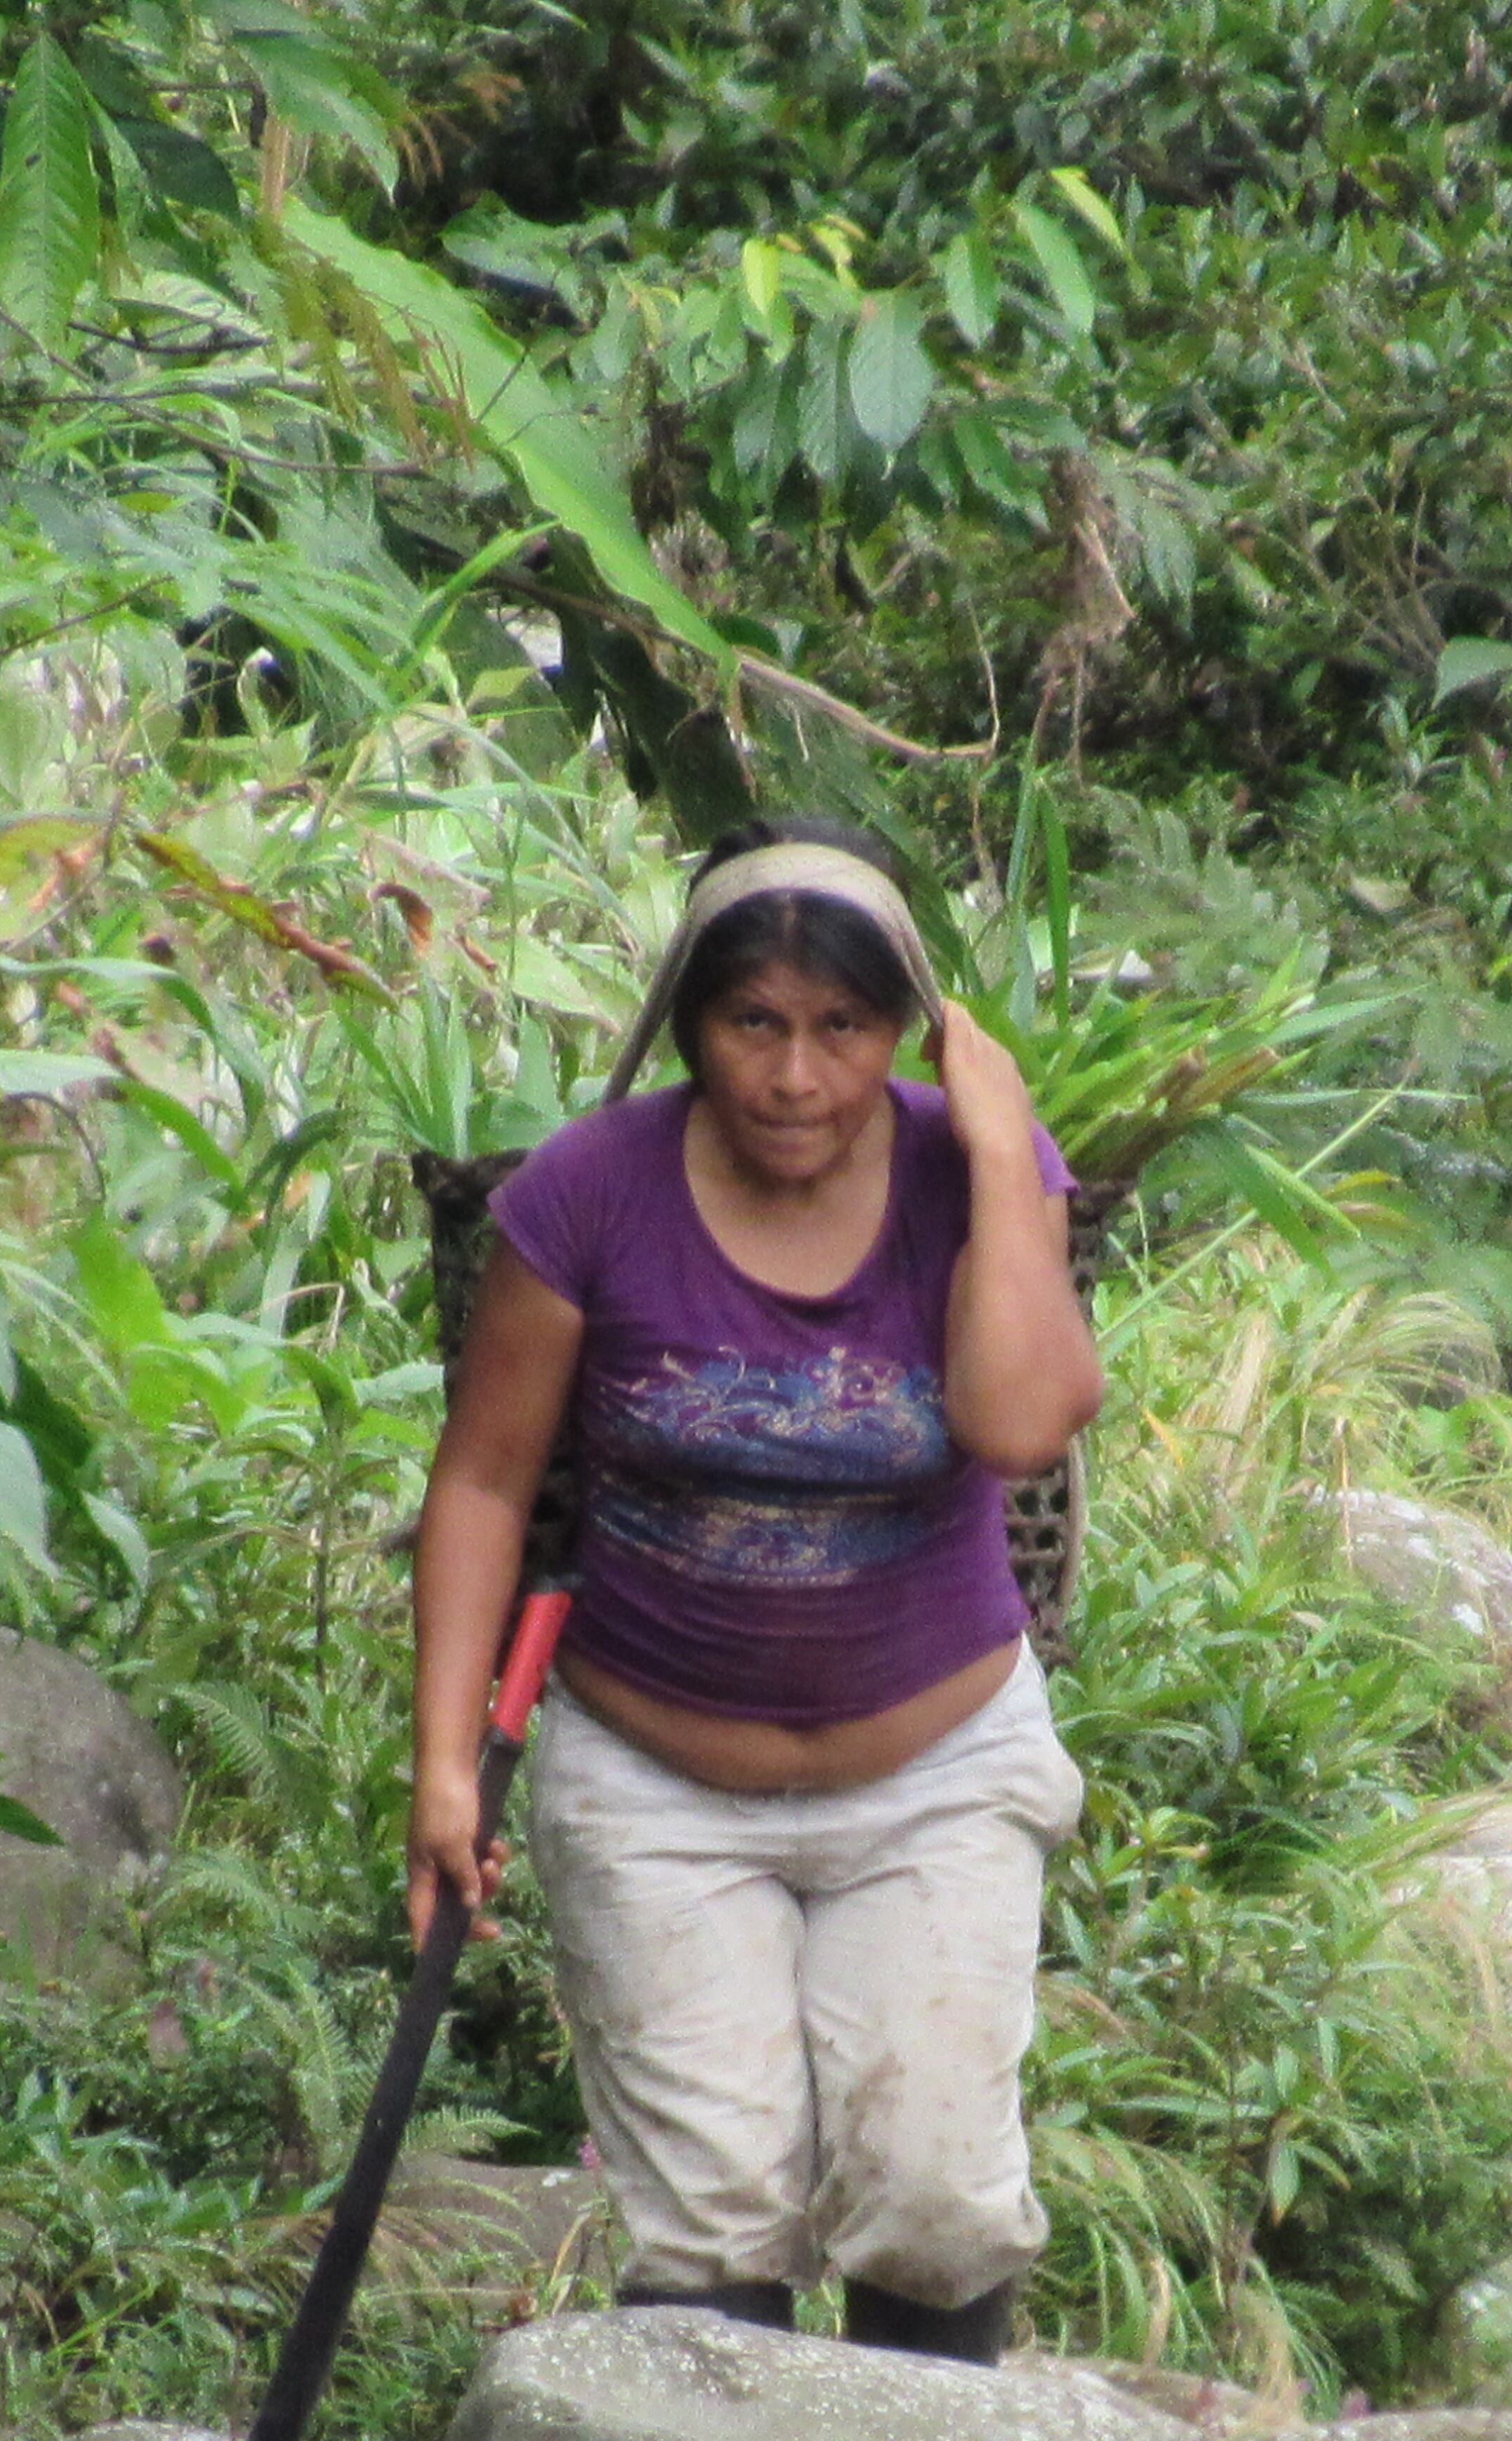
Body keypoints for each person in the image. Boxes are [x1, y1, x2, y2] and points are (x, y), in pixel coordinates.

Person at [405, 816, 1104, 2363]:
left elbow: (1020, 1422)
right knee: (711, 2221)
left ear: (902, 1030)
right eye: (756, 1026)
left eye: (843, 1029)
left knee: (932, 2199)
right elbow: (483, 1481)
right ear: (690, 1025)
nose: (796, 1077)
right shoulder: (589, 1191)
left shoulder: (974, 1169)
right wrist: (444, 1765)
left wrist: (996, 1156)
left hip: (936, 1771)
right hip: (657, 1785)